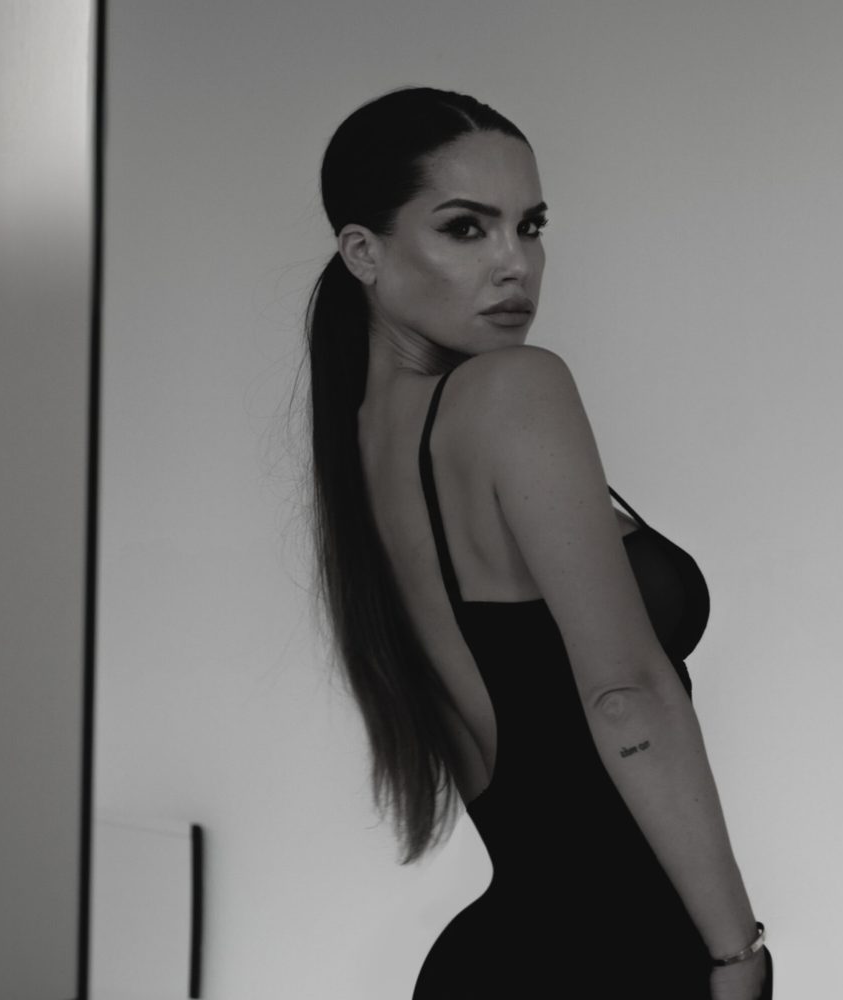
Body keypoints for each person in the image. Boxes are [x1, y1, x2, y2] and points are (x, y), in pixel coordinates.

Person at [301, 86, 771, 998]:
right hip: (618, 958)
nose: (516, 265)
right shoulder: (515, 393)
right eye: (467, 230)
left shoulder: (358, 442)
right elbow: (625, 695)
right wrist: (736, 956)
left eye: (532, 225)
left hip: (501, 959)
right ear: (363, 251)